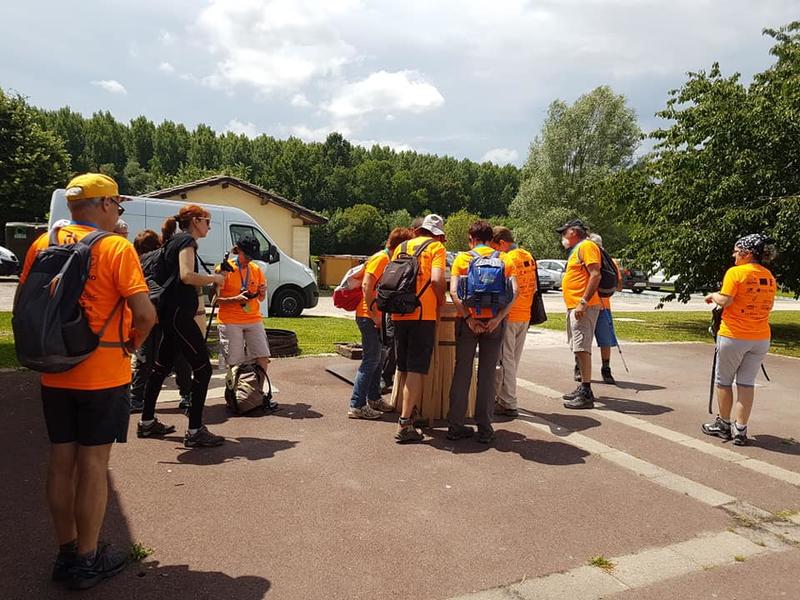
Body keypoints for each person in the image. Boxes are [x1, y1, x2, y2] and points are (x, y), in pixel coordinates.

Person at [16, 173, 156, 589]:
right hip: (103, 371)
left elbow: (28, 304)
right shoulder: (116, 246)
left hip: (55, 370)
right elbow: (146, 314)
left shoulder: (44, 243)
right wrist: (132, 341)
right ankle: (87, 559)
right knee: (94, 464)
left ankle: (65, 551)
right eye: (118, 205)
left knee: (61, 461)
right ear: (107, 204)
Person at [139, 204, 226, 448]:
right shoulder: (186, 241)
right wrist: (214, 278)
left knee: (160, 368)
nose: (209, 226)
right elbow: (187, 276)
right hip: (178, 314)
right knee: (203, 369)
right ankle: (195, 430)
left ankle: (147, 422)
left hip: (170, 313)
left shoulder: (175, 240)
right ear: (196, 221)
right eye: (208, 221)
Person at [702, 234, 777, 446]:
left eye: (736, 251)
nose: (733, 255)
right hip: (761, 337)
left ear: (746, 253)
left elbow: (726, 300)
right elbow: (768, 306)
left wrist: (713, 295)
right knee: (746, 383)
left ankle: (724, 424)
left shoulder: (736, 273)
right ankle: (741, 429)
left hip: (734, 335)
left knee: (724, 381)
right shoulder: (769, 276)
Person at [447, 220, 518, 443]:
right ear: (491, 239)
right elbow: (515, 292)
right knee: (487, 374)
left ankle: (456, 425)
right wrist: (497, 318)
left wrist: (468, 318)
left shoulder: (463, 258)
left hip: (467, 321)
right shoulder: (504, 258)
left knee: (462, 372)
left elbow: (454, 292)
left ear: (472, 239)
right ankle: (485, 429)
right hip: (494, 322)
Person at [392, 214, 447, 443]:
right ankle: (404, 424)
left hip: (398, 312)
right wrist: (440, 301)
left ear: (419, 230)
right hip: (422, 314)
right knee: (416, 369)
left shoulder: (401, 247)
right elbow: (436, 280)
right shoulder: (436, 248)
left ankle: (410, 412)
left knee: (404, 367)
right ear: (438, 234)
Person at [350, 227, 415, 419]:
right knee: (370, 360)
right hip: (368, 316)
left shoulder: (389, 259)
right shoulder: (381, 259)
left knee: (378, 358)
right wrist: (374, 314)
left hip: (375, 316)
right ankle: (357, 404)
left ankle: (373, 397)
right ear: (399, 245)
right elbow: (366, 286)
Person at [129, 230, 193, 413]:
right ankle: (186, 395)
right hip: (168, 313)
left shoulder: (139, 262)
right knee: (178, 356)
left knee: (145, 357)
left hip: (148, 315)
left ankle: (136, 398)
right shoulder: (165, 259)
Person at [215, 235, 272, 392]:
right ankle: (235, 395)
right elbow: (215, 300)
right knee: (235, 361)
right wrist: (235, 299)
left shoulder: (256, 270)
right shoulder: (224, 269)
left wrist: (262, 292)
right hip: (230, 320)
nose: (249, 260)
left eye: (252, 257)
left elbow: (261, 299)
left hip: (253, 318)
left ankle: (258, 393)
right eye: (247, 256)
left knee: (262, 355)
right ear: (238, 251)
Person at [557, 219, 603, 409]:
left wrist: (583, 302)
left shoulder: (587, 246)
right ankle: (583, 385)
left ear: (574, 232)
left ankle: (586, 391)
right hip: (575, 306)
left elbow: (595, 274)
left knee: (582, 347)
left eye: (564, 233)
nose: (563, 237)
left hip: (584, 306)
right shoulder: (579, 248)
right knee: (577, 346)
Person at [491, 226, 536, 418]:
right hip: (525, 314)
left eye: (494, 246)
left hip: (509, 314)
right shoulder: (528, 256)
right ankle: (502, 396)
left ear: (501, 243)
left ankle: (508, 401)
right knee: (512, 360)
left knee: (505, 359)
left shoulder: (505, 259)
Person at [573, 233, 622, 385]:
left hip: (591, 306)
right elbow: (619, 286)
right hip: (600, 306)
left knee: (582, 339)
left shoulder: (590, 259)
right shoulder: (611, 261)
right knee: (599, 340)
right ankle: (604, 370)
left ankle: (582, 369)